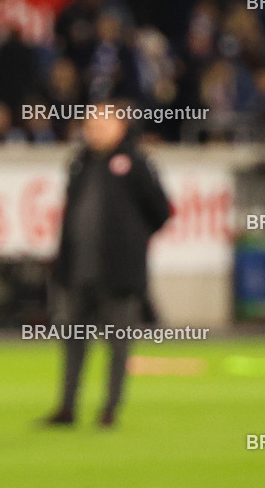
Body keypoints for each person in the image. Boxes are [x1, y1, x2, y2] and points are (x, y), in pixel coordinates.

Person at [46, 100, 171, 427]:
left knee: (118, 345)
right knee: (73, 341)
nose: (93, 131)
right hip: (78, 270)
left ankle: (110, 409)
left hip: (119, 274)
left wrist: (132, 240)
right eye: (89, 125)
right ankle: (67, 407)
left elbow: (161, 210)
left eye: (100, 124)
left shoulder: (136, 163)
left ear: (120, 126)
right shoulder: (80, 162)